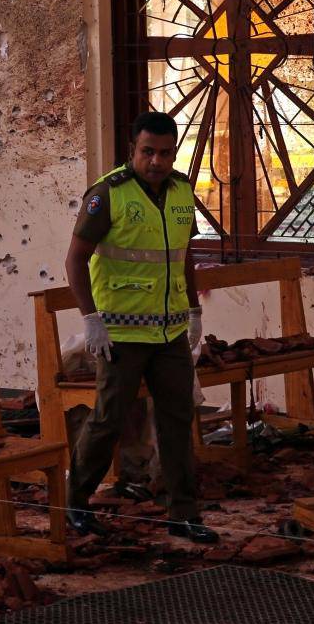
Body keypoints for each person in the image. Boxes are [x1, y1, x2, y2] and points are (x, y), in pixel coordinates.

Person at [63, 110, 217, 543]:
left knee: (177, 420)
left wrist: (193, 311)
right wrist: (91, 320)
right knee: (109, 419)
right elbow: (75, 259)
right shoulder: (108, 194)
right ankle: (75, 502)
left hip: (168, 334)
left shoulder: (183, 191)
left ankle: (183, 513)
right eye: (148, 152)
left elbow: (183, 255)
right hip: (120, 335)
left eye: (165, 153)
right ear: (132, 149)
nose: (156, 161)